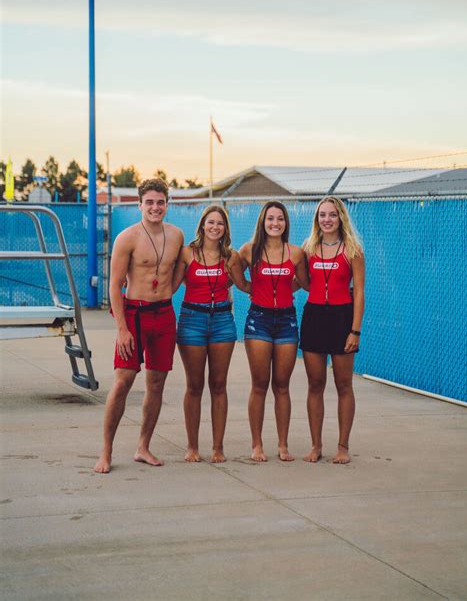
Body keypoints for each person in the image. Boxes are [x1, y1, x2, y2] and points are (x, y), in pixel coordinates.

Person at [94, 178, 183, 474]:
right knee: (122, 382)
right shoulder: (127, 238)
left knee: (156, 383)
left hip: (164, 314)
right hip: (134, 313)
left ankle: (143, 446)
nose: (155, 207)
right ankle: (105, 452)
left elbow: (181, 268)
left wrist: (171, 289)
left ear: (167, 204)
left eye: (160, 202)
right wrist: (122, 328)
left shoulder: (177, 235)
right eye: (150, 202)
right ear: (139, 204)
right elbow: (115, 286)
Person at [173, 206, 249, 463]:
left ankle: (218, 447)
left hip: (222, 322)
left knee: (218, 385)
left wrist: (285, 285)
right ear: (203, 225)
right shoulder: (187, 253)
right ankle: (192, 446)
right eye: (211, 222)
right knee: (194, 386)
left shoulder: (231, 257)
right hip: (192, 321)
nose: (215, 227)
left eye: (220, 223)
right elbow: (171, 284)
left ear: (225, 229)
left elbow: (243, 285)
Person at [239, 201, 309, 462]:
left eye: (280, 219)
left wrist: (282, 292)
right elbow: (233, 271)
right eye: (270, 219)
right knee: (259, 385)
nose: (275, 223)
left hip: (286, 321)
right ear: (263, 222)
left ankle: (283, 445)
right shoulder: (250, 251)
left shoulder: (296, 253)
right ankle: (257, 445)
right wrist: (249, 288)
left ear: (286, 223)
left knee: (282, 385)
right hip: (259, 320)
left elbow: (303, 282)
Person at [299, 196, 365, 464]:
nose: (327, 219)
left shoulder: (353, 250)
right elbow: (302, 282)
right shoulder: (308, 249)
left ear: (341, 219)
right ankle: (315, 446)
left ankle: (342, 447)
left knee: (343, 384)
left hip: (342, 318)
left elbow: (359, 292)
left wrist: (355, 331)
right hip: (314, 316)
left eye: (332, 215)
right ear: (317, 219)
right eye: (322, 215)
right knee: (315, 384)